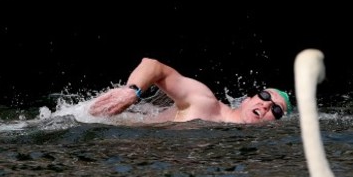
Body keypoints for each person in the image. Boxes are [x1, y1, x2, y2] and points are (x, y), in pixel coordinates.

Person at [88, 57, 292, 123]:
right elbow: (153, 66)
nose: (266, 104)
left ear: (276, 124)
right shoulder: (204, 102)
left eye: (276, 110)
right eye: (265, 96)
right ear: (247, 99)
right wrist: (132, 92)